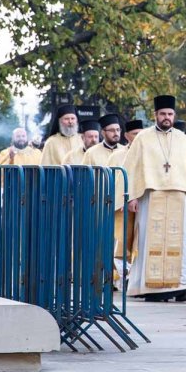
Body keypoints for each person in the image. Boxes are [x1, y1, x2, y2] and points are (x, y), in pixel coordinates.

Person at [122, 95, 186, 302]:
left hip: (179, 197)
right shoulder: (143, 138)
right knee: (149, 240)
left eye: (170, 114)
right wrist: (131, 197)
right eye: (163, 114)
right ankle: (150, 286)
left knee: (181, 240)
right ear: (155, 115)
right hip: (151, 195)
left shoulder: (182, 139)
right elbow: (131, 168)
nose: (167, 117)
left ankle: (184, 284)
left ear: (174, 115)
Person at [82, 114, 131, 286]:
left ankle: (119, 279)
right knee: (101, 242)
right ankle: (102, 278)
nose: (116, 133)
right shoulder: (91, 153)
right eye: (112, 130)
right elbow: (85, 177)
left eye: (118, 130)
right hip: (99, 203)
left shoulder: (126, 151)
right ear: (103, 132)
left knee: (119, 242)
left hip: (118, 204)